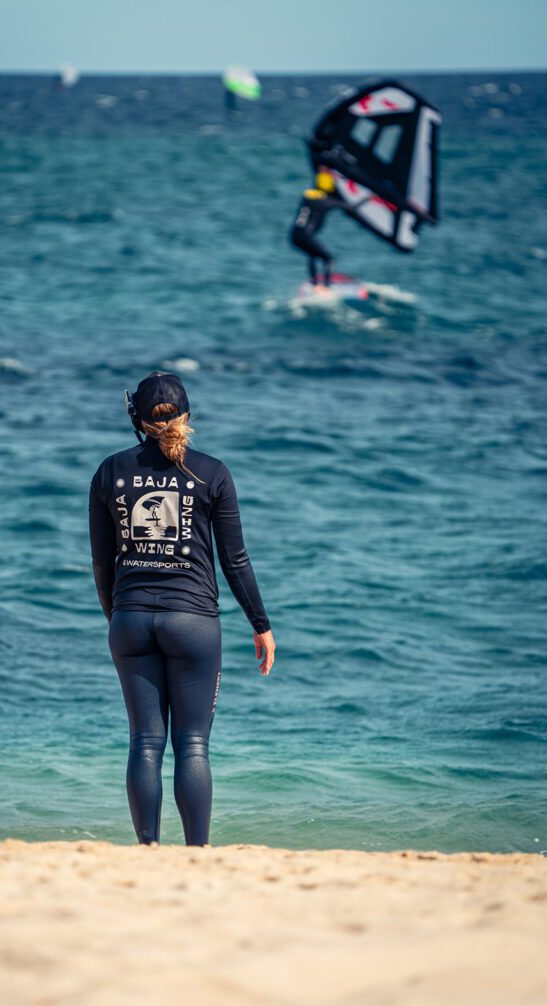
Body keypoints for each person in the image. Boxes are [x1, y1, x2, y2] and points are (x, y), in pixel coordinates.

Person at [89, 372, 275, 846]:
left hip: (130, 619)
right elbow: (235, 560)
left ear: (135, 418)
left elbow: (102, 563)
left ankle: (148, 848)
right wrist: (261, 625)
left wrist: (118, 619)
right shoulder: (212, 473)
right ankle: (197, 852)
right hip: (193, 622)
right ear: (188, 415)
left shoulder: (109, 471)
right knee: (192, 745)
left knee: (144, 742)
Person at [289, 167, 348, 286]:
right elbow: (348, 206)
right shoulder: (324, 201)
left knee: (312, 254)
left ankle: (314, 283)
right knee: (329, 259)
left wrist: (323, 173)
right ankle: (326, 286)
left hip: (294, 235)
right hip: (306, 236)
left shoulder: (307, 196)